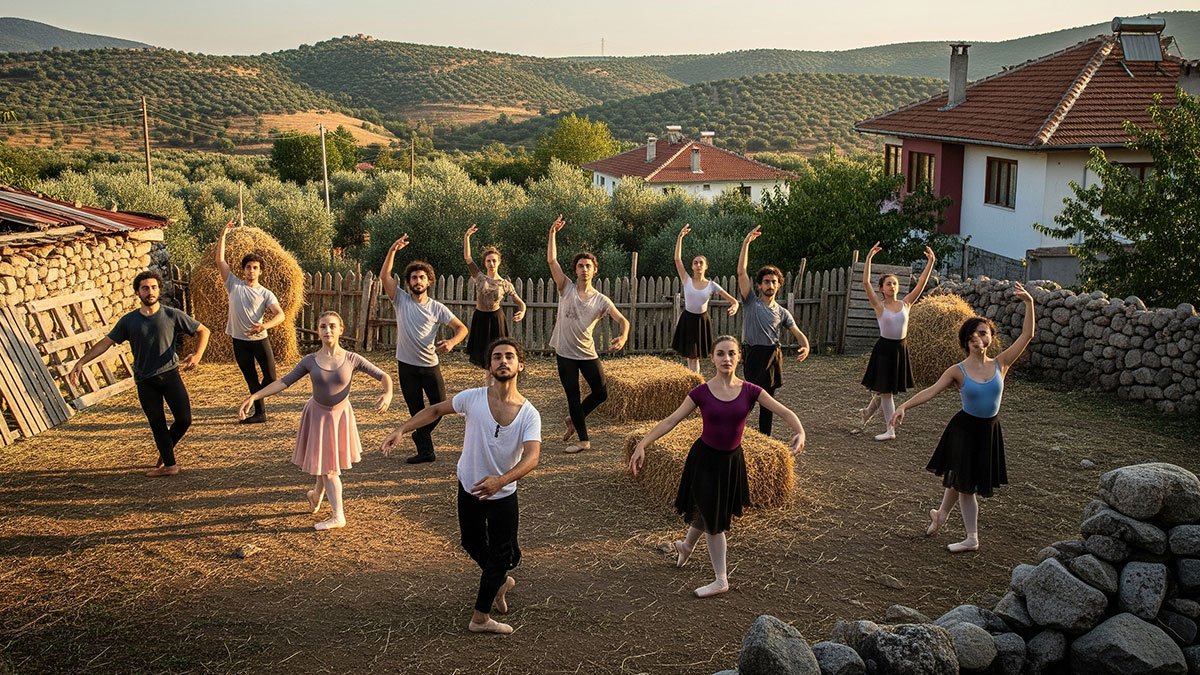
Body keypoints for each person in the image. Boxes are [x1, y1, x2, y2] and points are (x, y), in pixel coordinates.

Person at [380, 338, 541, 634]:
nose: (503, 361)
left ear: (520, 365)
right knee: (471, 542)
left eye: (509, 356)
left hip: (503, 494)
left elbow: (532, 458)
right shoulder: (473, 398)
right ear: (489, 366)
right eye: (496, 357)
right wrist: (401, 429)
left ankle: (480, 617)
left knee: (501, 555)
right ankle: (500, 580)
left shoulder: (529, 413)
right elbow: (435, 411)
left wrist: (501, 481)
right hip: (469, 485)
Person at [629, 335, 805, 598]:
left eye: (732, 353)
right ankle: (721, 579)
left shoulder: (750, 390)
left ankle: (686, 547)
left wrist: (799, 431)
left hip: (731, 461)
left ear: (739, 357)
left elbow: (784, 412)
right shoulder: (701, 392)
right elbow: (671, 420)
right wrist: (642, 444)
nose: (726, 359)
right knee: (714, 520)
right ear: (711, 358)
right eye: (720, 354)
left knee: (711, 510)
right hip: (704, 460)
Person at [891, 282, 1036, 553]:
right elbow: (931, 391)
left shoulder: (1000, 363)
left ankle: (941, 514)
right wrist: (904, 407)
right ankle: (972, 538)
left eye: (982, 332)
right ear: (965, 341)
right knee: (966, 486)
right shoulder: (957, 370)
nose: (977, 337)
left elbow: (1027, 335)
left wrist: (1028, 304)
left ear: (990, 337)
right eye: (972, 334)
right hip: (964, 430)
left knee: (961, 477)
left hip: (989, 430)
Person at [240, 311, 392, 531]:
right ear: (318, 330)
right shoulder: (310, 360)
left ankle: (327, 506)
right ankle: (325, 503)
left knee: (328, 465)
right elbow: (284, 382)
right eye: (323, 326)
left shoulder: (352, 358)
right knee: (328, 466)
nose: (327, 330)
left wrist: (387, 393)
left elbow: (384, 376)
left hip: (340, 416)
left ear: (341, 330)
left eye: (332, 326)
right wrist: (255, 396)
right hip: (317, 415)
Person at [69, 270, 211, 477]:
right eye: (145, 288)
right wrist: (82, 362)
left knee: (184, 419)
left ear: (159, 290)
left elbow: (203, 331)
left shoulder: (172, 315)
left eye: (154, 287)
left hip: (170, 375)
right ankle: (170, 465)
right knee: (157, 424)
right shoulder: (129, 321)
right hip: (145, 381)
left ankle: (166, 449)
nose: (150, 291)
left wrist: (197, 355)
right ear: (138, 292)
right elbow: (106, 343)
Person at [380, 234, 469, 464]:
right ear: (408, 282)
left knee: (440, 405)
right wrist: (392, 250)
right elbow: (385, 276)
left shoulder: (437, 308)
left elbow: (462, 328)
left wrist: (451, 342)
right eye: (413, 278)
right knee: (416, 409)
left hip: (430, 366)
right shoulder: (400, 299)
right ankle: (426, 452)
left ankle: (420, 434)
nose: (417, 281)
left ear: (428, 281)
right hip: (406, 366)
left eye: (421, 277)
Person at [547, 215, 630, 454]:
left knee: (601, 393)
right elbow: (552, 260)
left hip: (586, 352)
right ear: (575, 270)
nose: (584, 269)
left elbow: (623, 320)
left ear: (595, 271)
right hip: (564, 353)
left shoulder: (601, 300)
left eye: (588, 266)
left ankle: (575, 418)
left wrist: (623, 336)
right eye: (580, 266)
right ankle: (583, 439)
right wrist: (553, 233)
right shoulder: (566, 288)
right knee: (572, 395)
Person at [735, 226, 811, 436]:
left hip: (772, 357)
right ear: (759, 285)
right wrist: (746, 243)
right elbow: (741, 271)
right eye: (766, 281)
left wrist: (805, 345)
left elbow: (796, 331)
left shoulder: (782, 312)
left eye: (774, 282)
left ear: (779, 286)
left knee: (768, 402)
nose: (770, 284)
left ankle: (764, 439)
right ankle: (735, 434)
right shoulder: (751, 302)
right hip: (753, 355)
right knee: (747, 400)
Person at [858, 242, 936, 441]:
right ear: (882, 289)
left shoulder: (906, 303)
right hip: (884, 350)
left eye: (894, 283)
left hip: (900, 349)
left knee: (886, 389)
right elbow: (866, 284)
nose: (892, 286)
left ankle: (867, 413)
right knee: (886, 392)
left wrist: (931, 261)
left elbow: (920, 284)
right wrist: (868, 259)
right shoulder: (879, 306)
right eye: (888, 284)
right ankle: (890, 429)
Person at [216, 219, 285, 424]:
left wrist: (265, 325)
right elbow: (220, 262)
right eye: (248, 267)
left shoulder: (266, 294)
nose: (251, 271)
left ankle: (257, 401)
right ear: (243, 270)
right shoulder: (234, 285)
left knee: (271, 377)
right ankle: (260, 413)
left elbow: (280, 315)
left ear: (260, 271)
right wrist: (223, 236)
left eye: (255, 267)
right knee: (251, 379)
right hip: (239, 341)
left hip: (260, 340)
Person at [670, 224, 740, 373]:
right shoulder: (686, 280)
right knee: (691, 355)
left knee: (700, 355)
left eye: (701, 262)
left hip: (702, 321)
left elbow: (733, 300)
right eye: (695, 262)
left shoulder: (712, 285)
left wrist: (735, 305)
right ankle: (694, 379)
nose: (698, 264)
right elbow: (677, 259)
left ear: (706, 266)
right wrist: (680, 238)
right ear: (692, 267)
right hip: (688, 319)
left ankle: (698, 379)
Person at [463, 225, 527, 374]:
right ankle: (488, 387)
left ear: (499, 262)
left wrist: (522, 312)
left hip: (496, 319)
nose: (491, 264)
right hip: (480, 318)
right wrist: (467, 237)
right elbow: (468, 258)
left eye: (494, 261)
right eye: (488, 261)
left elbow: (521, 303)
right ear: (485, 263)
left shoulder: (505, 284)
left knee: (498, 353)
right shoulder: (479, 277)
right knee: (485, 359)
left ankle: (497, 383)